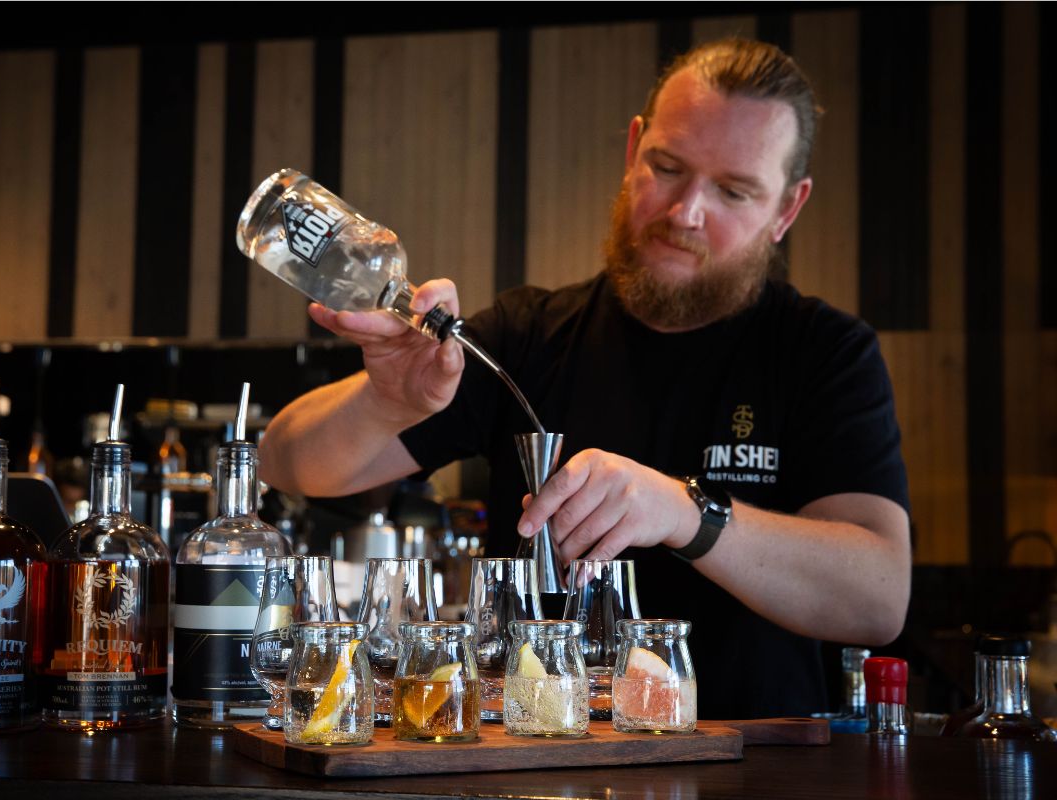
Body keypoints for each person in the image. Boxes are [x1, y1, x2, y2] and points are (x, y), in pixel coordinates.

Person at [258, 38, 911, 718]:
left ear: (787, 209)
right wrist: (386, 405)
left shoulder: (825, 354)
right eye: (667, 167)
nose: (686, 212)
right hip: (541, 756)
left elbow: (878, 599)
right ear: (633, 151)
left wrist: (685, 513)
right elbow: (285, 461)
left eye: (733, 191)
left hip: (758, 760)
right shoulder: (528, 336)